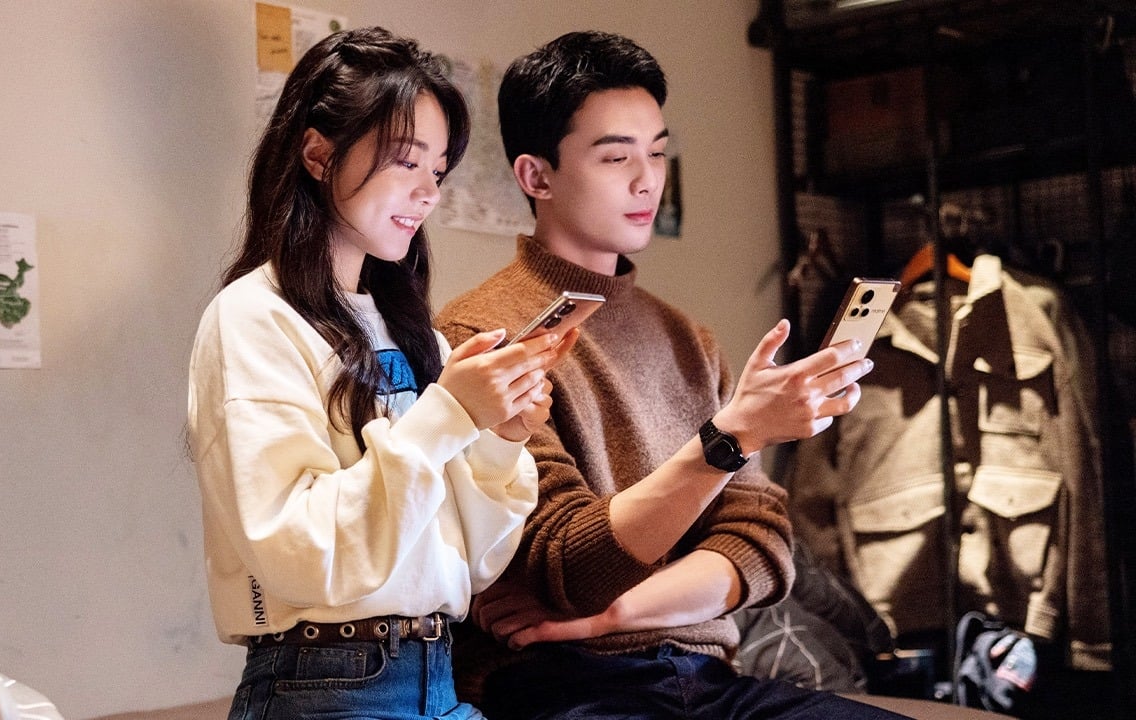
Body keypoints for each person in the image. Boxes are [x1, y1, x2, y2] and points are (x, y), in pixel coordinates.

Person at [436, 31, 908, 719]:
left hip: (702, 675)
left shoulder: (687, 338)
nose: (647, 179)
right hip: (562, 681)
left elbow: (762, 544)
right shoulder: (483, 336)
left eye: (657, 152)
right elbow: (569, 567)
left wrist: (614, 614)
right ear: (536, 177)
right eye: (616, 156)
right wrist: (730, 438)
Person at [186, 27, 578, 720]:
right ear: (318, 153)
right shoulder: (253, 316)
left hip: (435, 674)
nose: (428, 193)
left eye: (439, 171)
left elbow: (475, 562)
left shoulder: (410, 331)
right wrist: (451, 416)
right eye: (406, 161)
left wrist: (500, 436)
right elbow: (300, 551)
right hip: (322, 684)